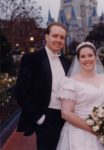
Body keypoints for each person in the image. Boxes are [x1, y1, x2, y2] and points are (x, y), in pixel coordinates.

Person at [15, 22, 70, 150]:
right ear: (46, 37)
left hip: (65, 118)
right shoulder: (31, 59)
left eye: (62, 37)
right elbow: (21, 92)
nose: (58, 40)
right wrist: (39, 118)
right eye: (55, 36)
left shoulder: (66, 62)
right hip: (45, 118)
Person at [56, 42, 104, 150]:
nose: (87, 59)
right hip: (79, 135)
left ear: (96, 57)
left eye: (90, 55)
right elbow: (65, 113)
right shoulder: (70, 83)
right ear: (78, 60)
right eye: (83, 56)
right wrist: (93, 130)